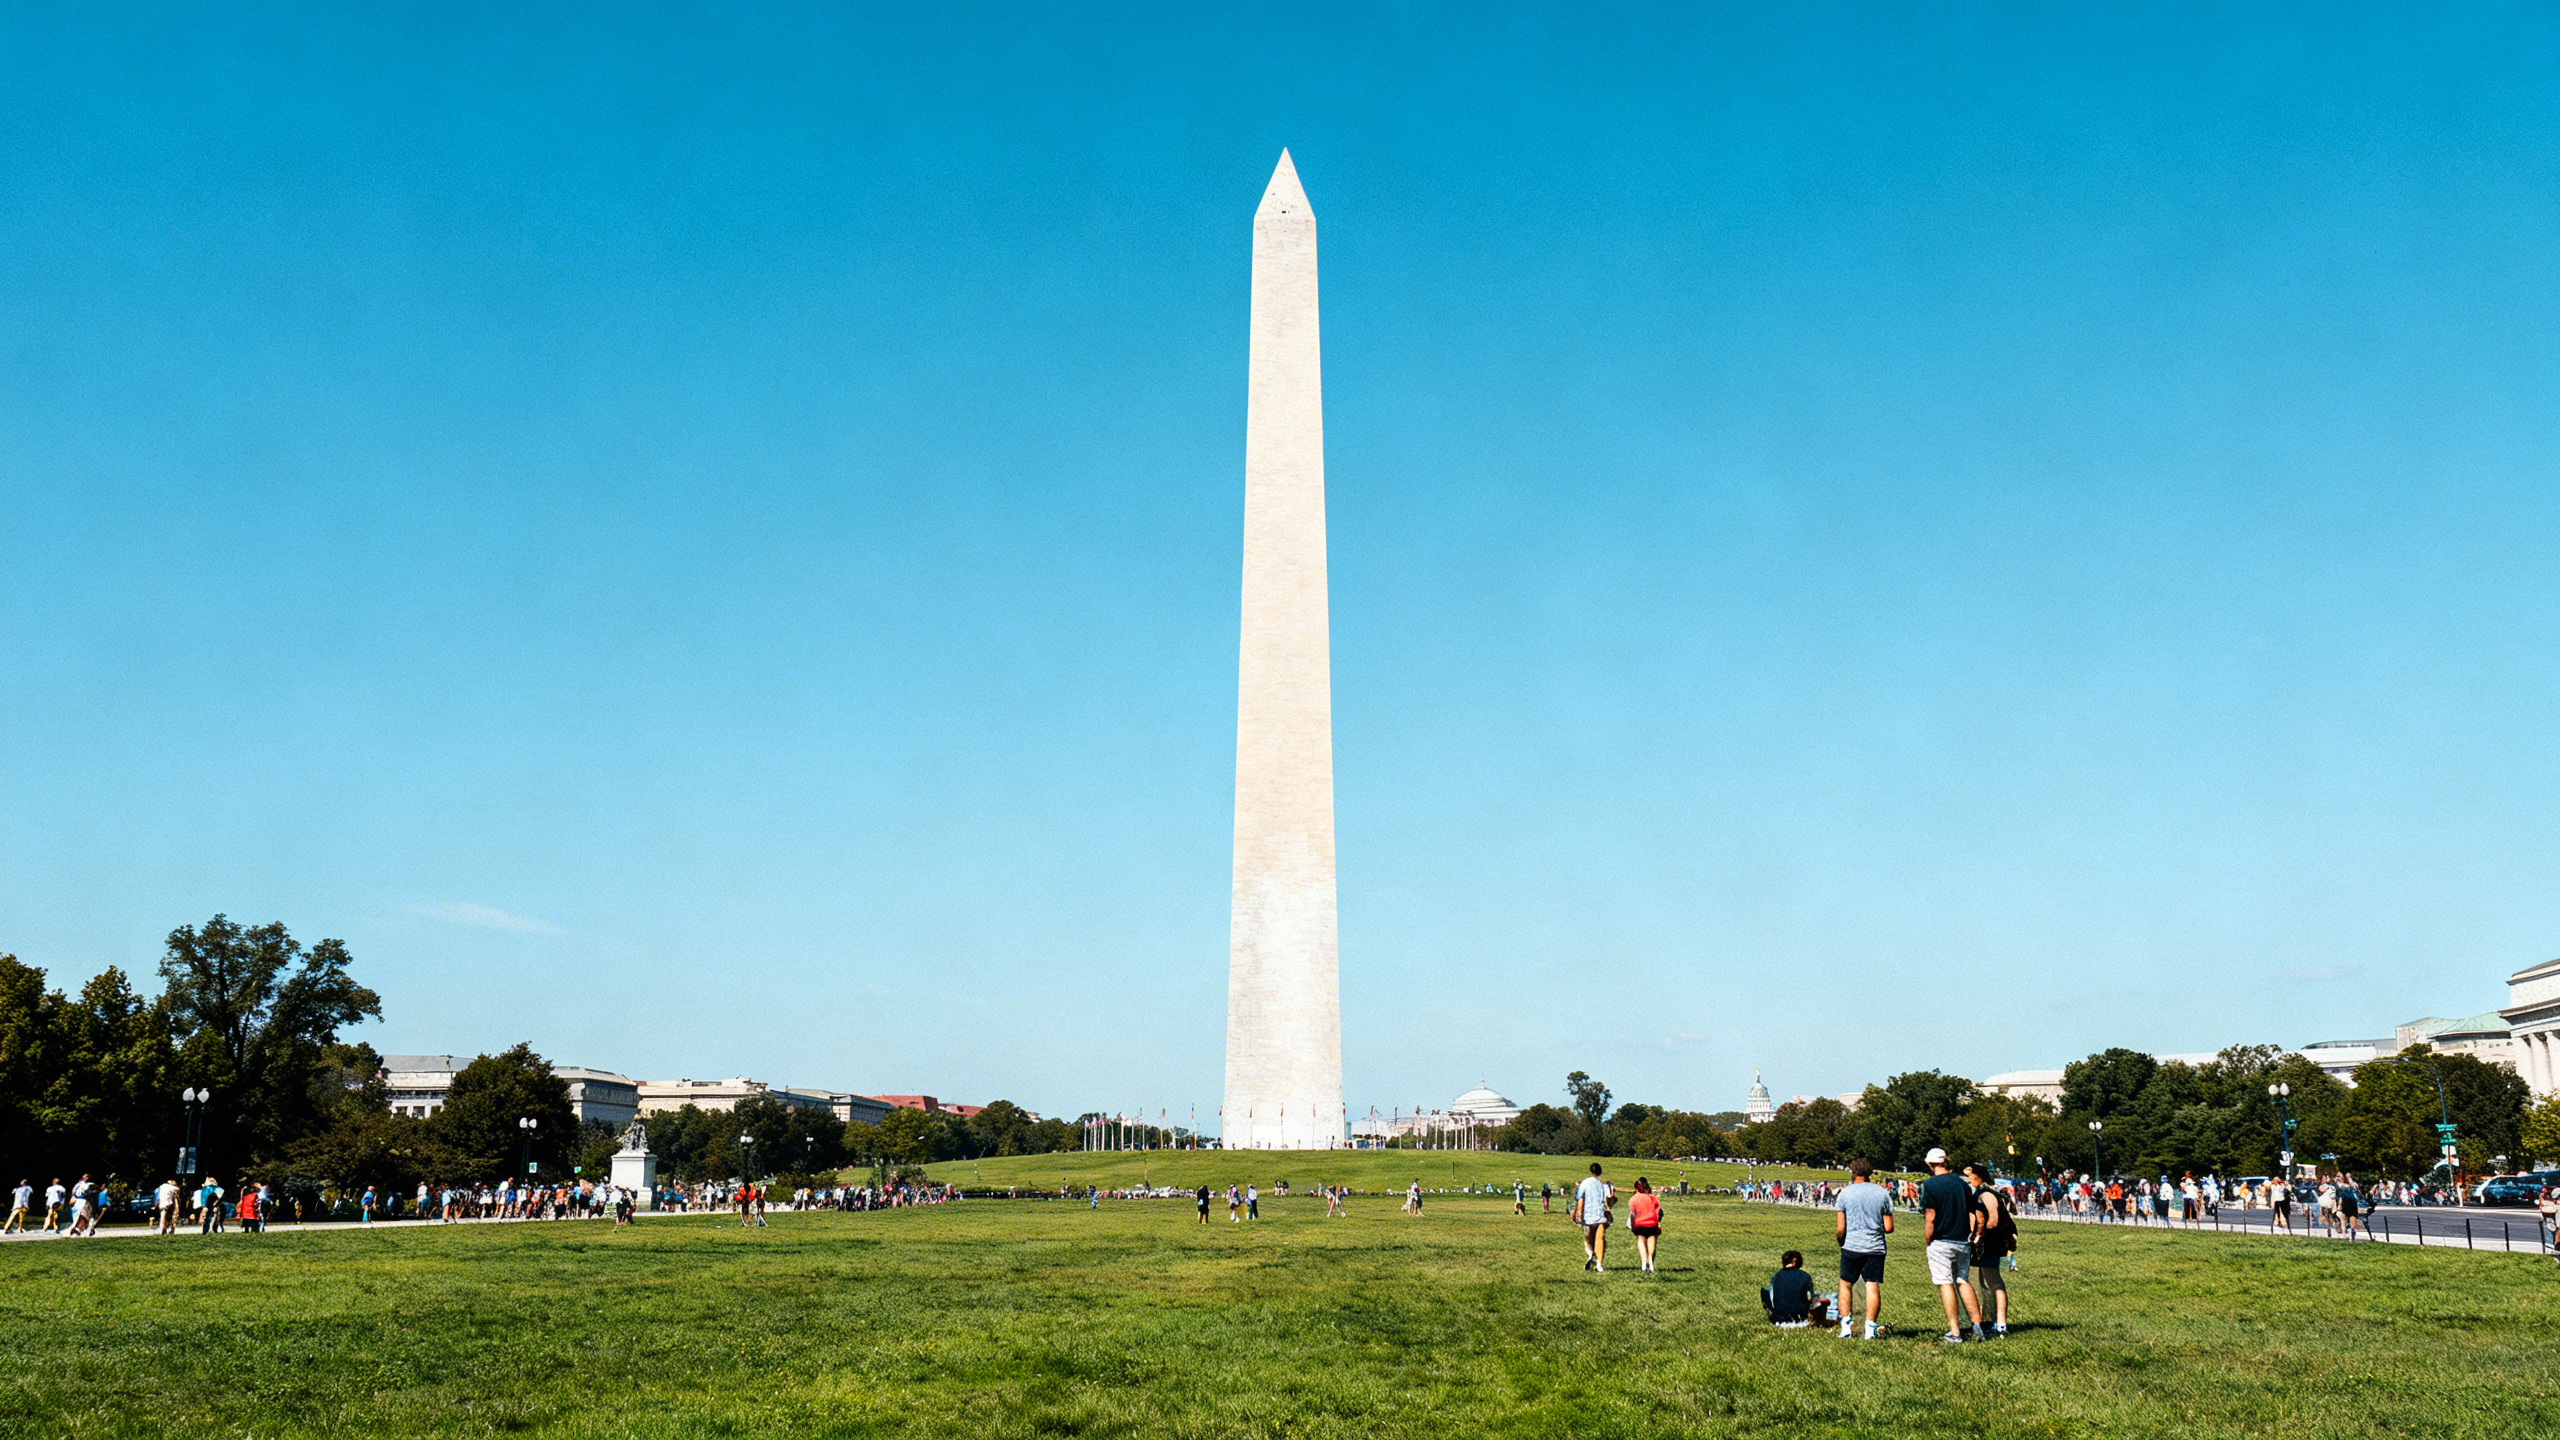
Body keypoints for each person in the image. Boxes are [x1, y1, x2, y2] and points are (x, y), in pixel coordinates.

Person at [1919, 1148, 1985, 1344]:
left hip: (1941, 1239)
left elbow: (1930, 1217)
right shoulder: (1962, 1184)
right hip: (1962, 1240)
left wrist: (1927, 1238)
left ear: (1930, 1164)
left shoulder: (1930, 1184)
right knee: (1963, 1281)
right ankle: (1977, 1326)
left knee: (1945, 1282)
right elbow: (1976, 1213)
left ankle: (1955, 1332)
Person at [1833, 1157, 1893, 1339]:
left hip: (1852, 1245)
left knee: (1845, 1284)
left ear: (1853, 1172)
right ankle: (1870, 1328)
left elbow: (1840, 1228)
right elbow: (1888, 1227)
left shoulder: (1845, 1193)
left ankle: (1845, 1327)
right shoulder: (1882, 1193)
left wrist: (1841, 1241)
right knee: (1872, 1285)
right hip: (1875, 1246)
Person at [1964, 1163, 2015, 1338]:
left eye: (1971, 1174)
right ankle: (1994, 1321)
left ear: (1980, 1176)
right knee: (1989, 1281)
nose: (1969, 1178)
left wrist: (1979, 1235)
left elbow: (1993, 1219)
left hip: (1990, 1242)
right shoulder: (1981, 1193)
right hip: (1986, 1242)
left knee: (1994, 1282)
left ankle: (2000, 1324)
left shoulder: (1986, 1194)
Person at [1573, 1163, 1612, 1273]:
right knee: (1600, 1238)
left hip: (1588, 1215)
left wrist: (1579, 1214)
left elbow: (1580, 1199)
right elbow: (1608, 1199)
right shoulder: (1602, 1185)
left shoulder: (1584, 1183)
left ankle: (1590, 1253)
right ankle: (1599, 1264)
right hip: (1600, 1214)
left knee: (1588, 1236)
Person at [1763, 1250, 1816, 1327]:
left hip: (1779, 1319)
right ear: (1795, 1261)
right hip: (1799, 1319)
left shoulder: (1776, 1277)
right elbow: (1811, 1298)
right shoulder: (1805, 1276)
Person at [1627, 1176, 1663, 1273]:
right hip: (1652, 1223)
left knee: (1641, 1241)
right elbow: (1658, 1211)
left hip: (1640, 1223)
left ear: (1636, 1188)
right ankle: (1650, 1260)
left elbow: (1632, 1213)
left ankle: (1644, 1263)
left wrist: (1632, 1226)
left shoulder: (1633, 1199)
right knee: (1651, 1239)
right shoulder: (1652, 1198)